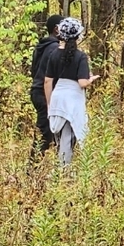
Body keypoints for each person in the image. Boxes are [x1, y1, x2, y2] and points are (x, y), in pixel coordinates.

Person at [44, 18, 100, 167]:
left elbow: (47, 81)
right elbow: (82, 82)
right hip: (73, 98)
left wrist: (50, 103)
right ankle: (65, 171)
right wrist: (91, 79)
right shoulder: (80, 56)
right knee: (69, 136)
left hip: (58, 95)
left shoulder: (54, 55)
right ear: (78, 36)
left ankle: (61, 169)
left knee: (59, 136)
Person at [29, 14, 63, 157]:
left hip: (37, 91)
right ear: (56, 29)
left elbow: (33, 70)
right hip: (45, 94)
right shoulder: (55, 48)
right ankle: (33, 171)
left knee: (49, 132)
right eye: (64, 27)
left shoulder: (41, 46)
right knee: (45, 134)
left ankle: (45, 168)